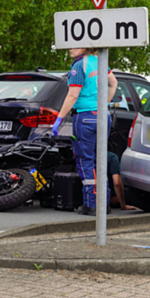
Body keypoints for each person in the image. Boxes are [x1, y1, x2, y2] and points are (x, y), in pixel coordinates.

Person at [52, 48, 118, 216]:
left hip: (85, 117)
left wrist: (59, 119)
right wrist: (103, 103)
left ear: (86, 45)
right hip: (103, 116)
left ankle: (91, 204)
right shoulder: (100, 62)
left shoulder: (79, 66)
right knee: (100, 159)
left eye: (75, 44)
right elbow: (114, 83)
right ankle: (104, 202)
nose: (70, 48)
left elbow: (72, 96)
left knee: (85, 160)